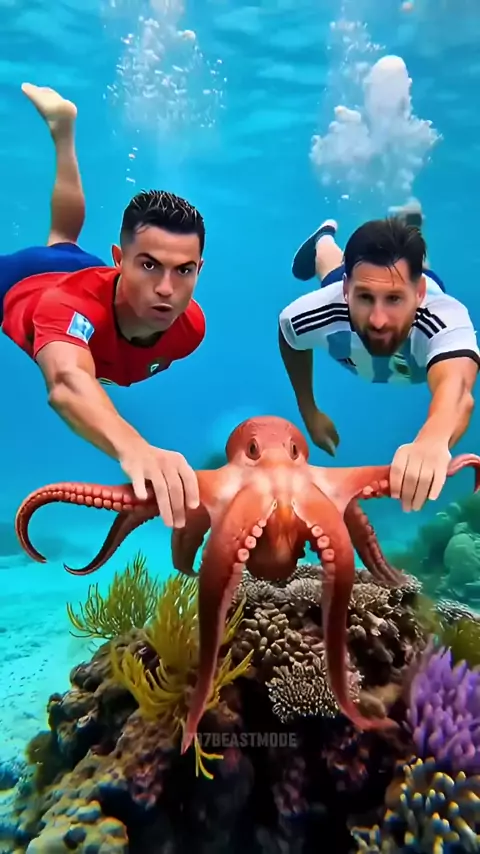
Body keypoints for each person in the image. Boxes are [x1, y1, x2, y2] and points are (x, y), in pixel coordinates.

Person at [0, 83, 206, 529]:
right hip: (23, 283)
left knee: (64, 238)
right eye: (149, 265)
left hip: (82, 274)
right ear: (119, 260)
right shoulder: (66, 308)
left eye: (184, 270)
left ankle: (63, 130)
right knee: (57, 245)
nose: (166, 289)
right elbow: (67, 381)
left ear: (199, 269)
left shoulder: (189, 327)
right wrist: (133, 447)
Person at [278, 209, 479, 513]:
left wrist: (433, 437)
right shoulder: (316, 311)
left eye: (394, 299)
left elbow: (458, 388)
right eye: (364, 297)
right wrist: (309, 410)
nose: (378, 320)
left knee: (409, 268)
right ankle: (324, 240)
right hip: (344, 291)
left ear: (419, 294)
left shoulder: (444, 318)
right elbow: (289, 337)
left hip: (420, 297)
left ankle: (408, 230)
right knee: (330, 271)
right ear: (347, 291)